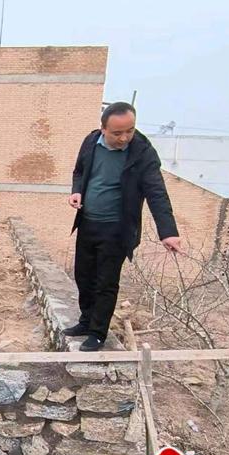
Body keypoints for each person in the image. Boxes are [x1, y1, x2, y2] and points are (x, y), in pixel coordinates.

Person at [66, 102, 182, 351]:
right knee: (83, 276)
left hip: (116, 230)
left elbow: (157, 192)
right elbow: (79, 171)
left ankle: (97, 333)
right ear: (103, 129)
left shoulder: (142, 153)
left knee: (105, 282)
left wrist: (168, 232)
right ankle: (85, 321)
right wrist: (77, 191)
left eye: (129, 130)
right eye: (117, 133)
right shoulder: (91, 142)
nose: (124, 138)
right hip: (88, 222)